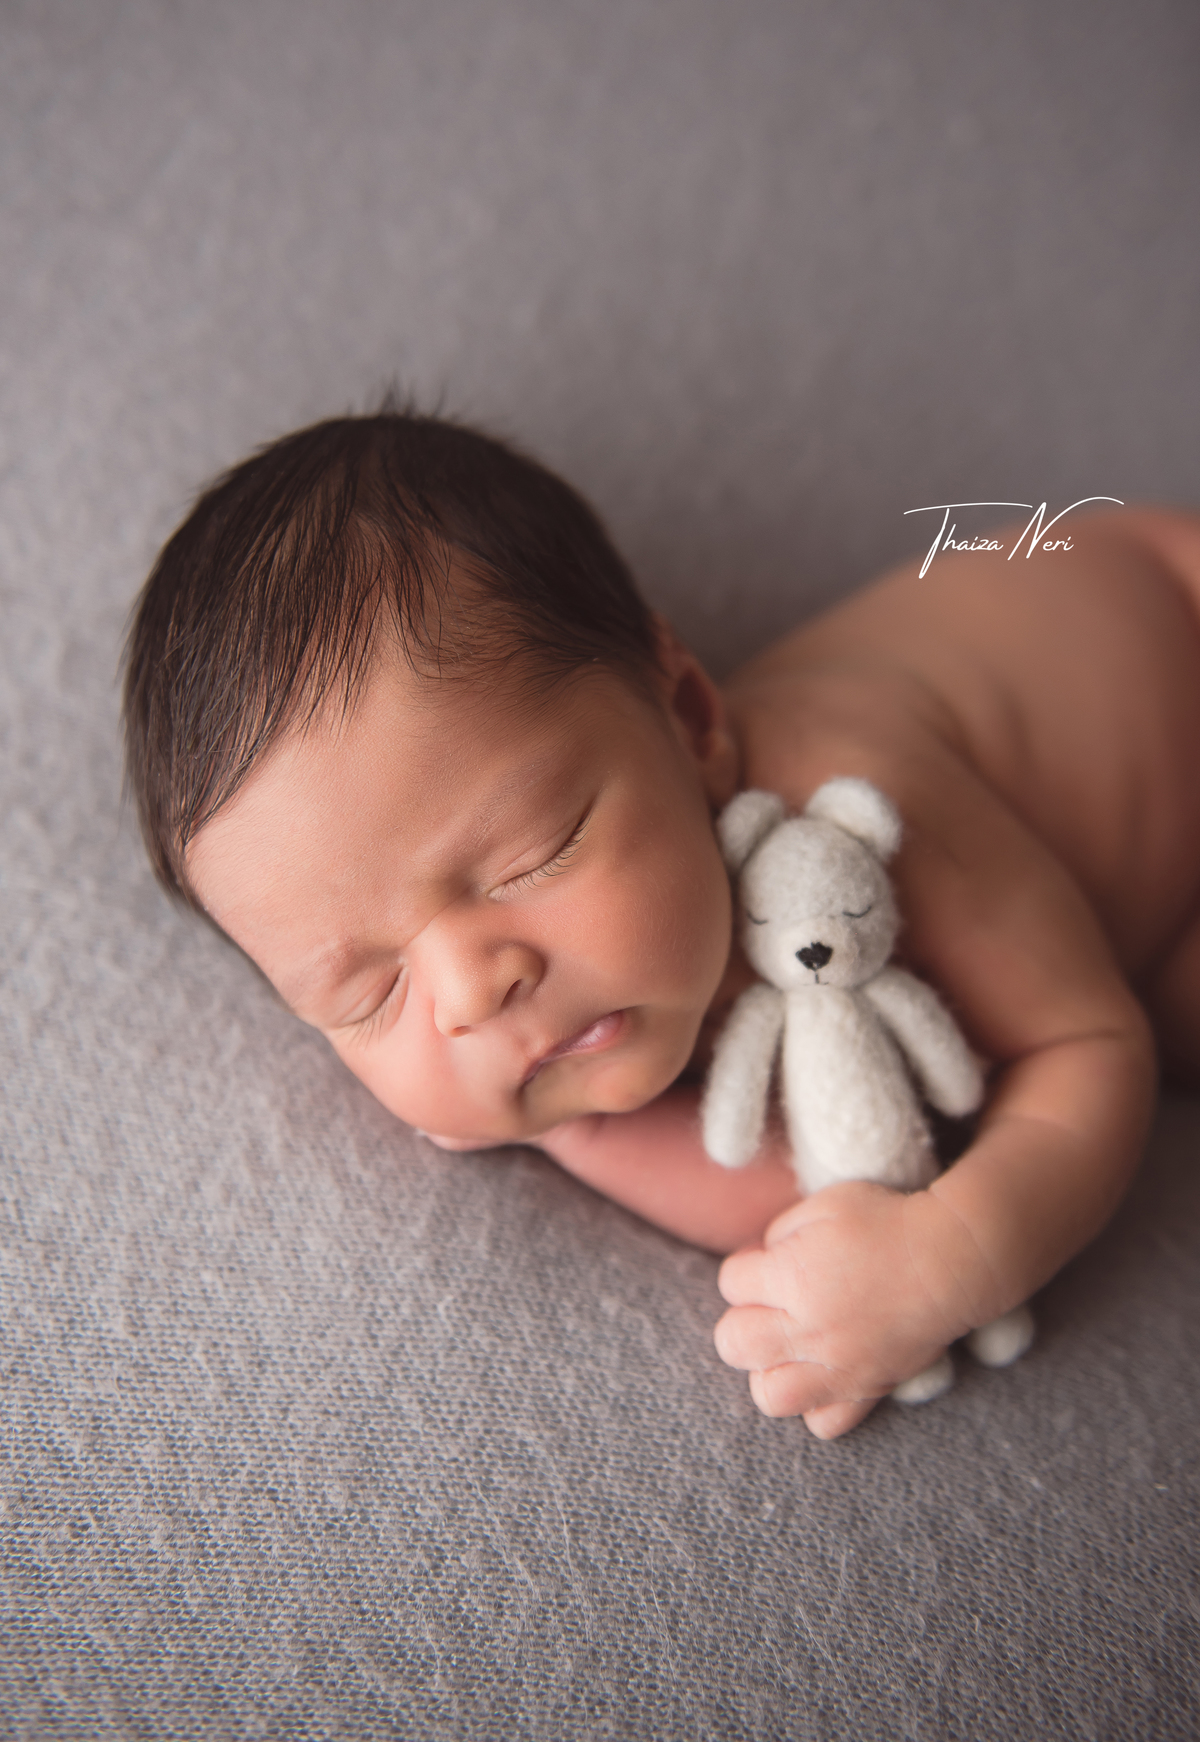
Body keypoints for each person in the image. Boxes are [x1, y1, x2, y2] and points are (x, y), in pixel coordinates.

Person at [122, 406, 1200, 1439]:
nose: (469, 992)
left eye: (528, 857)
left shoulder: (862, 815)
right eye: (367, 993)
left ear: (687, 718)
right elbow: (803, 1182)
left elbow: (1090, 1046)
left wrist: (952, 1256)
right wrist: (576, 1126)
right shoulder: (620, 965)